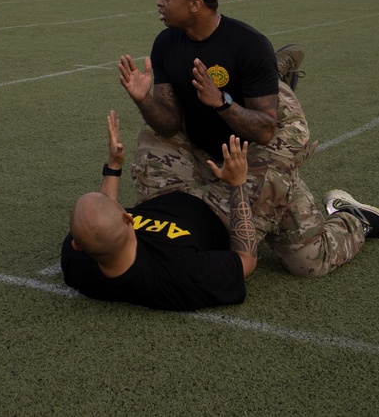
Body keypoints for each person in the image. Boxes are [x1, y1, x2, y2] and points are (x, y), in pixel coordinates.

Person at [118, 0, 379, 279]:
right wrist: (143, 100)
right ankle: (269, 73)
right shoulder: (166, 43)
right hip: (211, 143)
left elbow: (264, 131)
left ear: (195, 4)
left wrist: (221, 102)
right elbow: (168, 125)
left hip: (267, 138)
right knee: (183, 192)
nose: (159, 2)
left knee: (308, 263)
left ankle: (353, 217)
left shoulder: (247, 43)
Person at [60, 111, 257, 311]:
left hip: (166, 192)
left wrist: (114, 165)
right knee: (279, 141)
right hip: (220, 211)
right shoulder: (182, 273)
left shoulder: (76, 259)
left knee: (159, 125)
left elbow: (103, 217)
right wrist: (238, 183)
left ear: (77, 245)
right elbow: (246, 261)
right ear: (128, 219)